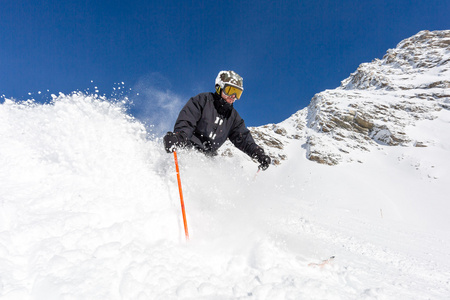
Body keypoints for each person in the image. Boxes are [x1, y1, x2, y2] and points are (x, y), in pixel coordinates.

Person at [163, 70, 271, 170]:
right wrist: (179, 136)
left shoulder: (233, 118)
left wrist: (258, 154)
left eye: (237, 93)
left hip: (208, 158)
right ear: (219, 88)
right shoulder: (203, 100)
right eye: (230, 90)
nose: (233, 96)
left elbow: (243, 138)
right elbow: (187, 120)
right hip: (188, 149)